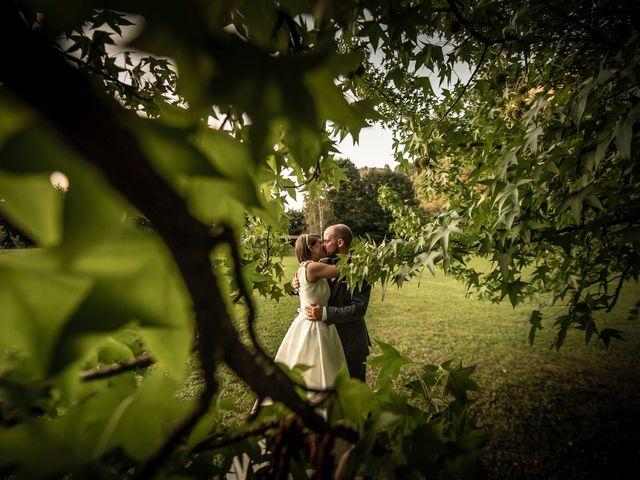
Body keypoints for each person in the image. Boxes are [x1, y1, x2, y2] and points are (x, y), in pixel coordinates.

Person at [273, 233, 347, 390]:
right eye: (320, 242)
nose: (324, 245)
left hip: (308, 320)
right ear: (311, 248)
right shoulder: (313, 267)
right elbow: (343, 270)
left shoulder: (302, 269)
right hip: (315, 325)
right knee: (320, 365)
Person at [302, 224, 372, 382]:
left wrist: (325, 313)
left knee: (355, 389)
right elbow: (309, 282)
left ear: (339, 243)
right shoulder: (323, 262)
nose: (324, 244)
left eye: (326, 241)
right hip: (325, 339)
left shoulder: (362, 269)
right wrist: (296, 283)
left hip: (351, 341)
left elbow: (359, 309)